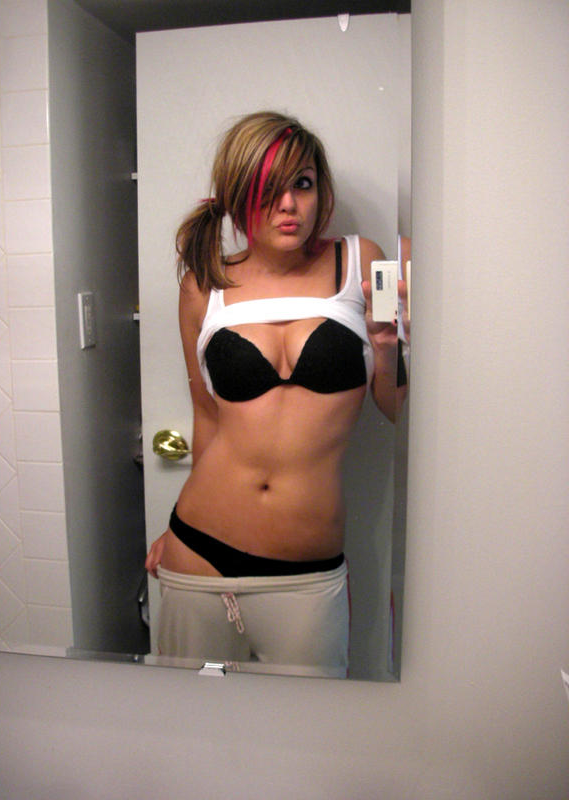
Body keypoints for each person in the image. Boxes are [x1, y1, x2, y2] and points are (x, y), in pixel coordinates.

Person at [145, 111, 405, 677]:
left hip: (305, 575)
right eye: (269, 188)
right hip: (196, 554)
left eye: (302, 184)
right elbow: (206, 417)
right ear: (239, 194)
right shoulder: (203, 284)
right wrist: (171, 531)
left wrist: (387, 349)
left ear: (320, 190)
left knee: (309, 727)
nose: (289, 205)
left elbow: (398, 409)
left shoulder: (363, 261)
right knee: (188, 724)